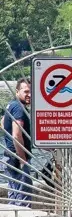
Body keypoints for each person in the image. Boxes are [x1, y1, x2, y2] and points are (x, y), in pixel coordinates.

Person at [2, 79, 32, 207]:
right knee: (23, 200)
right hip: (17, 157)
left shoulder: (11, 105)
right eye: (26, 91)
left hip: (9, 156)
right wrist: (23, 159)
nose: (29, 95)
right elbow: (16, 135)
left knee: (14, 197)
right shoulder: (19, 109)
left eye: (31, 92)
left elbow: (2, 124)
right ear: (17, 91)